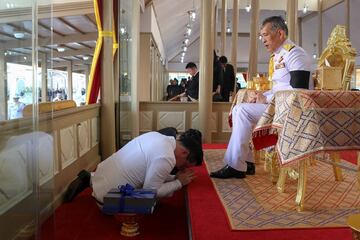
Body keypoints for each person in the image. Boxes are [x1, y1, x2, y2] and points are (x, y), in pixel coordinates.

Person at [210, 16, 312, 179]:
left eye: (265, 35)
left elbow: (298, 92)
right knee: (239, 110)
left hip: (292, 112)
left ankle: (238, 165)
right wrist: (262, 95)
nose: (263, 40)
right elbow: (280, 87)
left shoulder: (295, 54)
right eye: (261, 36)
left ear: (279, 33)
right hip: (279, 106)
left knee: (242, 111)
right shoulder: (279, 56)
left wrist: (268, 99)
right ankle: (246, 162)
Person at [64, 129, 203, 204]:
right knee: (153, 202)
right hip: (108, 199)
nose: (182, 168)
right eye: (185, 164)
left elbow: (151, 171)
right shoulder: (167, 157)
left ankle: (88, 179)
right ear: (185, 152)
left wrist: (173, 177)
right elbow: (150, 192)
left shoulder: (158, 136)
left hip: (100, 175)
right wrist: (179, 182)